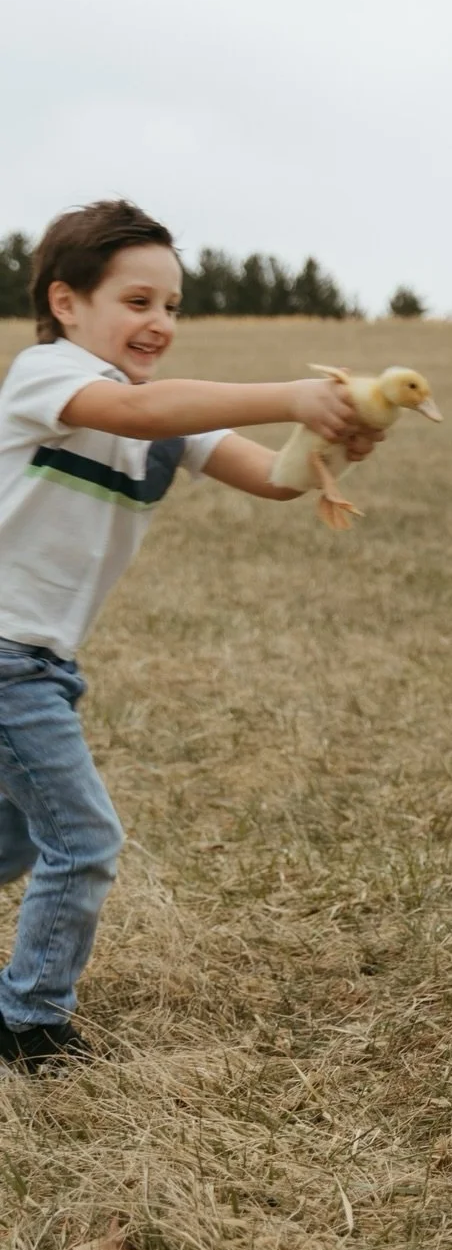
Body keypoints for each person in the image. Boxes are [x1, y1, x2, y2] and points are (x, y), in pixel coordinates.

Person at [0, 199, 375, 1073]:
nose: (160, 323)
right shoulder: (45, 376)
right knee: (84, 842)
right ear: (66, 303)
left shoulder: (166, 410)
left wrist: (345, 436)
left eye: (172, 306)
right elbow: (138, 413)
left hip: (44, 663)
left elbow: (274, 480)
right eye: (138, 302)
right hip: (4, 657)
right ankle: (29, 1024)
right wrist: (290, 393)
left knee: (16, 840)